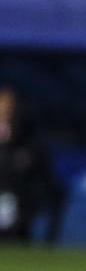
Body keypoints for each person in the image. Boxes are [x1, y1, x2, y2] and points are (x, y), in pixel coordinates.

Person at [0, 85, 60, 241]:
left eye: (10, 106)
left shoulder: (29, 139)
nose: (6, 110)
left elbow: (42, 176)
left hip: (19, 204)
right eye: (3, 105)